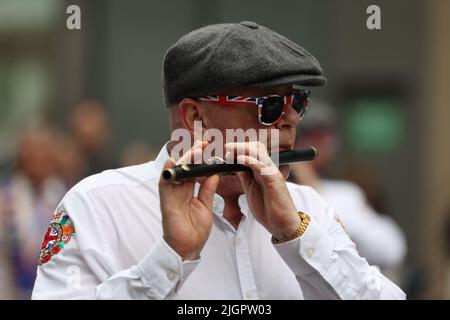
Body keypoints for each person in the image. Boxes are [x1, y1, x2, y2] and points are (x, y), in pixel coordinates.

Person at [32, 21, 405, 299]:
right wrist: (170, 258)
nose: (292, 119)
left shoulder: (308, 209)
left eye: (298, 102)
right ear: (196, 118)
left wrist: (297, 239)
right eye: (269, 105)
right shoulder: (96, 206)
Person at [289, 100, 406, 274]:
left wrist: (315, 189)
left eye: (327, 137)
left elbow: (390, 250)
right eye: (311, 136)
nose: (325, 145)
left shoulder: (344, 193)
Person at [0, 127, 67, 298]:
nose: (38, 157)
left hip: (52, 290)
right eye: (32, 151)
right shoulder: (6, 196)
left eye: (44, 150)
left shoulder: (65, 197)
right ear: (22, 155)